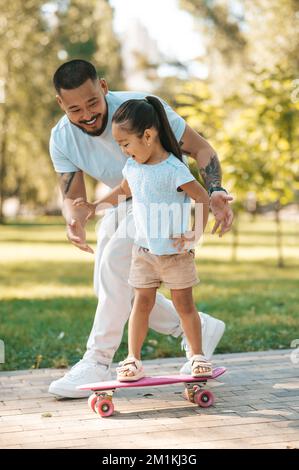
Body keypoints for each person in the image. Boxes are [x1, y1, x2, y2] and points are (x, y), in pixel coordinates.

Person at [48, 59, 233, 397]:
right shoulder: (61, 138)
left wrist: (215, 188)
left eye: (92, 102)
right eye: (75, 109)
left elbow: (201, 149)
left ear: (103, 87)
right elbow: (74, 197)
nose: (87, 114)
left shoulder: (142, 111)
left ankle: (98, 358)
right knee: (116, 284)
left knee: (113, 263)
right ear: (61, 104)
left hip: (160, 202)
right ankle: (196, 327)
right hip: (124, 201)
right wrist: (74, 219)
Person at [74, 96, 213, 381]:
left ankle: (198, 355)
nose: (124, 151)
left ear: (148, 135)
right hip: (144, 253)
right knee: (140, 305)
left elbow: (201, 197)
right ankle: (133, 360)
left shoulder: (173, 168)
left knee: (185, 307)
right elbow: (123, 192)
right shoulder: (133, 168)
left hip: (175, 255)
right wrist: (93, 207)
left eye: (125, 144)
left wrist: (194, 234)